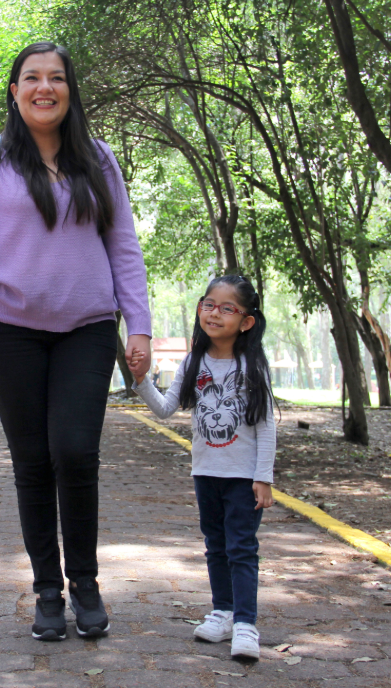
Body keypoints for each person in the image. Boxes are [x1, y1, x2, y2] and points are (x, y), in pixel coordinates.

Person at [0, 42, 153, 641]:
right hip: (6, 332)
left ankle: (86, 582)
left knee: (75, 453)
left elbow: (123, 247)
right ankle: (48, 591)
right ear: (15, 90)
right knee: (33, 461)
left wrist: (141, 325)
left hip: (85, 330)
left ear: (70, 91)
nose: (44, 87)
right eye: (32, 78)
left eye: (57, 78)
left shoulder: (99, 160)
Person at [128, 275, 275, 660]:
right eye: (209, 304)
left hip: (243, 476)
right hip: (205, 473)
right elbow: (165, 408)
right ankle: (222, 613)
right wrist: (142, 380)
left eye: (228, 308)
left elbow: (266, 424)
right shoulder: (194, 360)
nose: (215, 313)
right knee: (215, 547)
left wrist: (264, 477)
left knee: (241, 548)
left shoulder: (252, 366)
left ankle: (246, 623)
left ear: (246, 321)